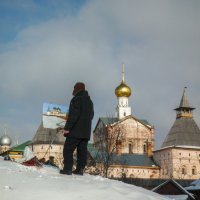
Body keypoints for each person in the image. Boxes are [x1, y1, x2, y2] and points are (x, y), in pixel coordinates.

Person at [60, 82, 94, 175]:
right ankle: (80, 169)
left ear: (77, 89)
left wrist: (67, 128)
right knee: (82, 150)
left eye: (74, 88)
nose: (73, 91)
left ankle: (67, 169)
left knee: (68, 149)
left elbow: (73, 116)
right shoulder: (90, 101)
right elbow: (91, 115)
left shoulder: (76, 99)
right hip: (86, 132)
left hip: (75, 131)